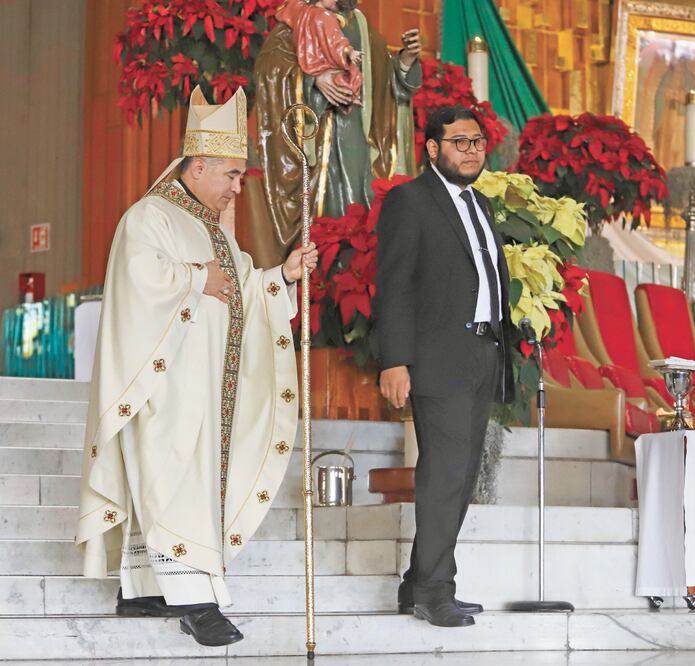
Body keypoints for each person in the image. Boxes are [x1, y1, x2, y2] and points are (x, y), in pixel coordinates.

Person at [76, 86, 319, 647]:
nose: (237, 187)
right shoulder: (149, 217)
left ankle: (142, 587)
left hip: (210, 389)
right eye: (231, 175)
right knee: (172, 481)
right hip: (166, 388)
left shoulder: (216, 230)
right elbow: (138, 284)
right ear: (199, 165)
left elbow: (243, 292)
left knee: (178, 482)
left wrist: (282, 276)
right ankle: (196, 602)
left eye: (241, 177)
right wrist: (194, 277)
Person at [375, 105, 515, 628]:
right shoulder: (410, 201)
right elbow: (394, 285)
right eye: (459, 142)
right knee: (444, 475)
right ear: (433, 148)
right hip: (438, 357)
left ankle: (417, 583)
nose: (472, 151)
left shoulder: (480, 203)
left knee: (461, 475)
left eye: (477, 142)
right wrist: (395, 360)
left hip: (482, 352)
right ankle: (435, 592)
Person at [251, 0, 422, 269]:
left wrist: (406, 60)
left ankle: (356, 275)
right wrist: (313, 80)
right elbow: (270, 70)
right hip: (317, 146)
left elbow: (387, 86)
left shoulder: (361, 26)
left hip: (359, 143)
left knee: (362, 226)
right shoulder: (298, 18)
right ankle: (322, 279)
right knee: (324, 229)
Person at [275, 0, 364, 109]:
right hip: (318, 70)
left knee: (351, 75)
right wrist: (312, 79)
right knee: (351, 75)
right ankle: (350, 96)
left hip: (312, 63)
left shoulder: (301, 10)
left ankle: (350, 97)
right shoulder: (323, 15)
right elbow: (337, 42)